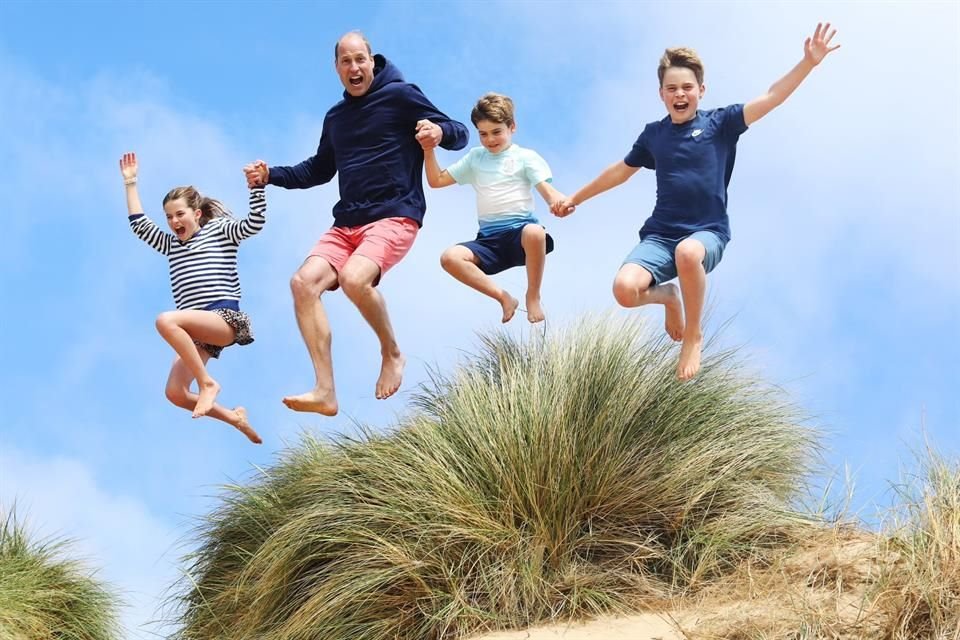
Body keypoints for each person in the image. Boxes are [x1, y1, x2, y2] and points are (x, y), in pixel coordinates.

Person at [553, 23, 840, 380]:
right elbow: (620, 172)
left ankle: (693, 335)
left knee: (688, 253)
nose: (680, 94)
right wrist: (575, 198)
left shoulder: (722, 123)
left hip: (707, 232)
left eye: (687, 87)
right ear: (661, 94)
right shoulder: (654, 135)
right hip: (660, 236)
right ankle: (669, 297)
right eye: (672, 88)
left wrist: (808, 63)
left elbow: (772, 96)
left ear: (701, 91)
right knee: (624, 290)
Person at [244, 31, 468, 415]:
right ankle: (325, 391)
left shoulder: (401, 96)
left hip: (395, 214)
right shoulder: (336, 118)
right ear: (336, 68)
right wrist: (271, 176)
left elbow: (459, 133)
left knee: (353, 278)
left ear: (371, 60)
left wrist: (438, 131)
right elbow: (318, 169)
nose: (354, 67)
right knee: (302, 284)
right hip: (347, 223)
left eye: (360, 59)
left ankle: (391, 353)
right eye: (346, 61)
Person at [120, 152, 264, 444]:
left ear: (196, 214)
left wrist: (257, 188)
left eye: (180, 214)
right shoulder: (171, 245)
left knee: (166, 321)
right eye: (169, 217)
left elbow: (254, 224)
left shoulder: (219, 231)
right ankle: (235, 418)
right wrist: (130, 183)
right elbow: (139, 225)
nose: (174, 221)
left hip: (223, 319)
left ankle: (207, 383)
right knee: (175, 393)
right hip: (197, 332)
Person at [421, 92, 565, 324]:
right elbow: (436, 180)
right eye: (483, 134)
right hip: (489, 242)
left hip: (520, 237)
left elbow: (547, 190)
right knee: (449, 257)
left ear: (512, 127)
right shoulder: (476, 158)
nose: (490, 139)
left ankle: (533, 295)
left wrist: (556, 201)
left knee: (535, 231)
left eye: (496, 132)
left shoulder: (525, 157)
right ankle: (503, 298)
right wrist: (428, 150)